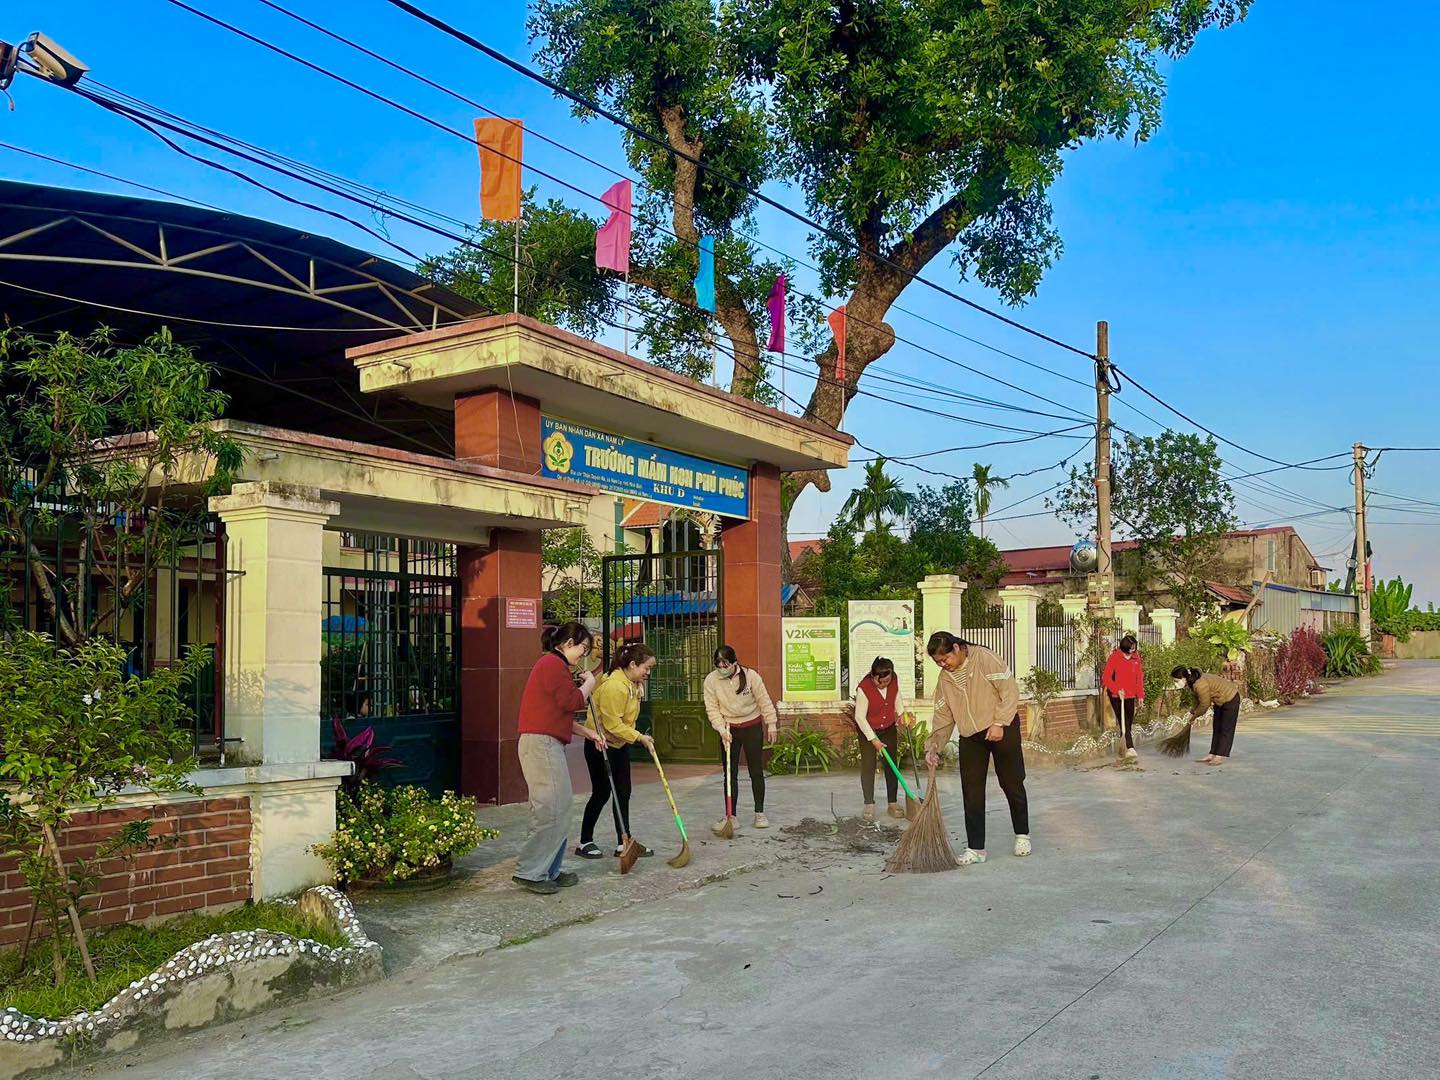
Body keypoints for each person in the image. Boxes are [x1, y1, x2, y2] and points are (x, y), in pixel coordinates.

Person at [513, 622, 607, 896]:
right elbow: (572, 702)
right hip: (541, 745)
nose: (583, 655)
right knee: (550, 809)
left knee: (559, 808)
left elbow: (557, 713)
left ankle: (549, 870)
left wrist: (589, 733)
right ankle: (531, 872)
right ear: (568, 644)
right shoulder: (552, 665)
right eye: (583, 648)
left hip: (545, 743)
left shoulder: (553, 666)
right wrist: (590, 683)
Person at [924, 631, 1030, 865]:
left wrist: (999, 722)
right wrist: (933, 746)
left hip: (1001, 728)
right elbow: (943, 716)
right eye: (938, 662)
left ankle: (1022, 834)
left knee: (1011, 783)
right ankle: (976, 849)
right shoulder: (945, 679)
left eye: (945, 659)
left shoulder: (984, 658)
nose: (943, 665)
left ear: (956, 648)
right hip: (970, 735)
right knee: (971, 791)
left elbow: (1009, 691)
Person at [576, 643, 659, 860]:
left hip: (619, 744)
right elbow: (612, 724)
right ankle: (585, 840)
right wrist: (639, 737)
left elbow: (627, 719)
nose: (648, 673)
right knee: (602, 792)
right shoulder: (614, 686)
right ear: (632, 664)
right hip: (600, 744)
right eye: (646, 668)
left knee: (623, 792)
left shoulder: (632, 684)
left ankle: (624, 841)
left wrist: (638, 692)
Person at [704, 645, 779, 833]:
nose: (722, 668)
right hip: (729, 728)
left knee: (756, 771)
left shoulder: (751, 676)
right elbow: (712, 708)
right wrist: (721, 730)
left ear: (734, 663)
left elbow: (764, 700)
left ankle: (759, 813)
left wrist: (771, 723)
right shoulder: (711, 680)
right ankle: (731, 816)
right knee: (730, 773)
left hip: (752, 726)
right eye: (718, 665)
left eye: (726, 664)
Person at [851, 657, 912, 821]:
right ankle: (869, 804)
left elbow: (897, 699)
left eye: (886, 681)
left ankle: (892, 803)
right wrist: (874, 740)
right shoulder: (864, 688)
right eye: (880, 682)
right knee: (868, 766)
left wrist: (902, 714)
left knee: (891, 765)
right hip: (868, 731)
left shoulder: (893, 680)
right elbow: (860, 717)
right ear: (873, 676)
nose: (884, 684)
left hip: (888, 728)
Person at [1173, 665, 1243, 765]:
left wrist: (1194, 717)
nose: (1175, 683)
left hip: (1231, 698)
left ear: (1184, 678)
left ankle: (1219, 756)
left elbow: (1204, 705)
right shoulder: (1192, 682)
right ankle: (1212, 753)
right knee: (1217, 727)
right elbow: (1198, 699)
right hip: (1219, 700)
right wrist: (1193, 710)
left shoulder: (1200, 684)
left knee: (1226, 728)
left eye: (1176, 681)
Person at [1103, 634, 1145, 760]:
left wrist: (1140, 695)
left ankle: (1123, 747)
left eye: (1134, 647)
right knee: (1124, 720)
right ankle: (1130, 747)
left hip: (1130, 694)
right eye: (1131, 647)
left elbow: (1139, 677)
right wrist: (1116, 689)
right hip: (1117, 695)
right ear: (1125, 646)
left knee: (1129, 720)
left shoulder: (1136, 657)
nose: (1133, 650)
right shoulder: (1115, 657)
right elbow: (1106, 677)